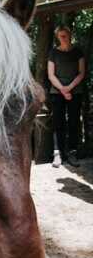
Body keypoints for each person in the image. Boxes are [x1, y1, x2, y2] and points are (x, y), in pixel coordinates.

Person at [47, 25, 85, 168]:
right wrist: (63, 89)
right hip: (57, 92)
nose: (64, 38)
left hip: (75, 92)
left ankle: (72, 153)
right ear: (57, 37)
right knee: (58, 122)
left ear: (70, 35)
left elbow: (81, 72)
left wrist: (69, 88)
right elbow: (51, 75)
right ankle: (58, 154)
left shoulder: (77, 51)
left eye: (65, 35)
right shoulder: (53, 53)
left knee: (74, 121)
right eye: (61, 36)